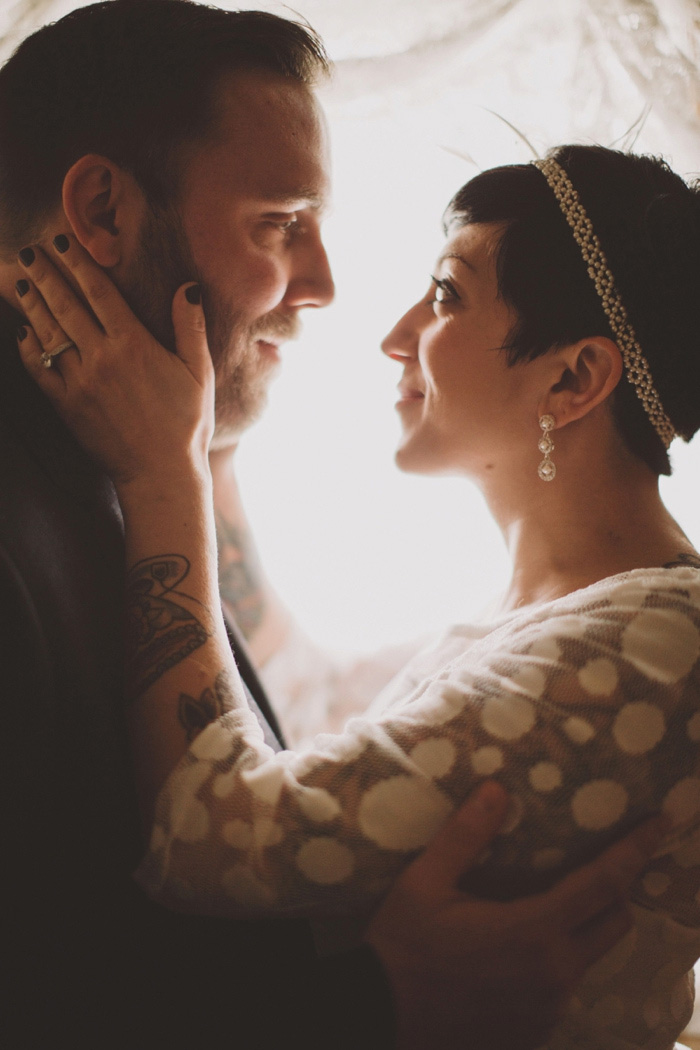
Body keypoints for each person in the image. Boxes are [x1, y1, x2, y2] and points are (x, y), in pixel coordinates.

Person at [0, 3, 656, 1048]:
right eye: (279, 221)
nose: (326, 288)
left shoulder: (124, 472)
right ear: (102, 213)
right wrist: (379, 1001)